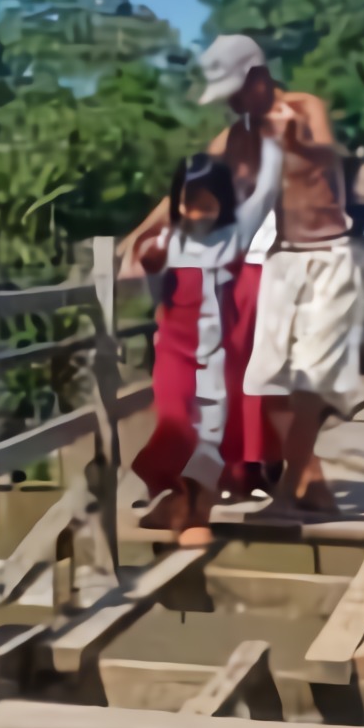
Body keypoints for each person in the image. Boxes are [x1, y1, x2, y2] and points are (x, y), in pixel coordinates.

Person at [174, 34, 361, 517]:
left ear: (258, 76)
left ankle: (286, 493)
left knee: (311, 379)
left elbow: (328, 156)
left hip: (328, 252)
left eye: (237, 91)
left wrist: (294, 141)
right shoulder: (241, 135)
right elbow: (205, 185)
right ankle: (311, 479)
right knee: (266, 379)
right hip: (280, 257)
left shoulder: (303, 108)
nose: (233, 103)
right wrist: (151, 236)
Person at [134, 152, 279, 547]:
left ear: (223, 201)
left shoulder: (234, 236)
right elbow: (155, 297)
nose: (197, 211)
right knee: (175, 421)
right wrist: (150, 266)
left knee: (209, 433)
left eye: (206, 201)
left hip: (218, 356)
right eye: (188, 201)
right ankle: (173, 499)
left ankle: (196, 513)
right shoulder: (167, 242)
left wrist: (273, 144)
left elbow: (266, 192)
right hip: (175, 352)